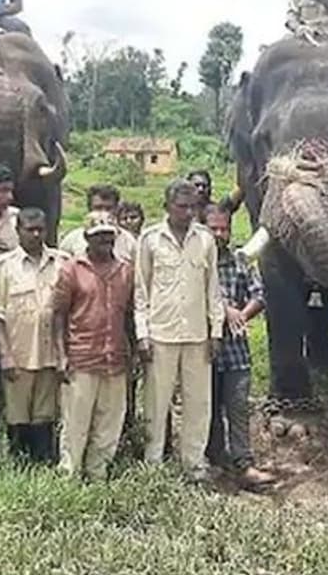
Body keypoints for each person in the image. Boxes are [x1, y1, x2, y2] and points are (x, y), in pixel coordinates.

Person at [135, 178, 225, 483]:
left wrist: (216, 332)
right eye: (182, 207)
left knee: (198, 403)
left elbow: (213, 289)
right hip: (160, 335)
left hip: (198, 336)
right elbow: (141, 291)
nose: (188, 213)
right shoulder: (150, 240)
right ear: (167, 206)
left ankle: (194, 465)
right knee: (156, 404)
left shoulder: (205, 240)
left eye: (193, 207)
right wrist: (142, 334)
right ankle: (153, 465)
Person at [52, 211, 134, 480]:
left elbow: (129, 316)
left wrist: (132, 353)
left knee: (109, 422)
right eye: (99, 236)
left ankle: (98, 473)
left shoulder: (125, 270)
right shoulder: (72, 269)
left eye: (109, 235)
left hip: (115, 359)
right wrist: (61, 356)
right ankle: (69, 475)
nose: (105, 241)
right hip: (82, 357)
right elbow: (58, 315)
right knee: (76, 423)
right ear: (87, 238)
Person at [0, 207, 67, 463]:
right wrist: (5, 354)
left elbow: (65, 312)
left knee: (45, 415)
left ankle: (43, 465)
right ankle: (19, 467)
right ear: (18, 231)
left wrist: (63, 354)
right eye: (30, 230)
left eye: (40, 229)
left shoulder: (61, 263)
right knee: (17, 416)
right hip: (18, 355)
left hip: (50, 355)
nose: (36, 235)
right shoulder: (4, 266)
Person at [203, 203, 276, 488]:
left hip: (236, 350)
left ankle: (243, 463)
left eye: (224, 229)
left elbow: (260, 294)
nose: (219, 234)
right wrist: (225, 310)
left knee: (238, 408)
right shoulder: (196, 261)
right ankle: (215, 460)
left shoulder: (240, 260)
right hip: (204, 351)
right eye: (214, 229)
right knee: (208, 410)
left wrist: (242, 315)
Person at [58, 183, 139, 263]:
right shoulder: (72, 240)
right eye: (98, 208)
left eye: (108, 208)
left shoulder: (129, 242)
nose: (103, 213)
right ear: (89, 208)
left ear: (117, 209)